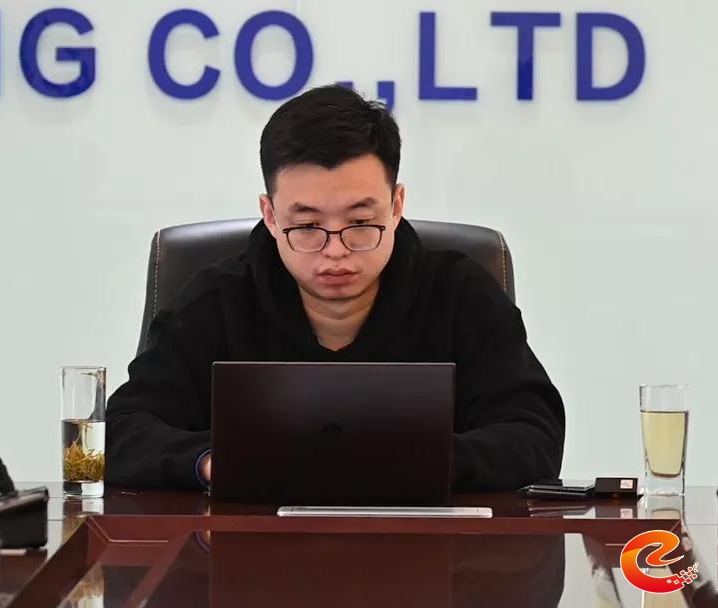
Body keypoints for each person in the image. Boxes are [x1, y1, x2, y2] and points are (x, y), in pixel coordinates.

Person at [104, 84, 565, 493]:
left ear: (396, 205)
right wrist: (211, 462)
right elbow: (123, 431)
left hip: (429, 551)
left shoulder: (460, 294)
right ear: (270, 215)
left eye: (360, 222)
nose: (336, 251)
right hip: (250, 552)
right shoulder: (216, 301)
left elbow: (533, 435)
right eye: (307, 226)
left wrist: (414, 461)